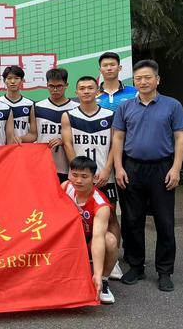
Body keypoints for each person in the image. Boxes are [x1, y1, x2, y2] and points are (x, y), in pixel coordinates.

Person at [112, 60, 183, 291]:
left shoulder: (172, 105)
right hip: (132, 168)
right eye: (138, 78)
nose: (143, 82)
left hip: (162, 168)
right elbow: (118, 137)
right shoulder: (125, 107)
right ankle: (136, 266)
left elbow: (180, 138)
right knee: (132, 220)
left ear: (157, 79)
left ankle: (165, 271)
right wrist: (119, 167)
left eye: (147, 77)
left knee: (164, 221)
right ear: (134, 81)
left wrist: (175, 169)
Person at [61, 75, 122, 279]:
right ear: (76, 92)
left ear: (97, 91)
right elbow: (68, 144)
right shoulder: (68, 116)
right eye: (82, 88)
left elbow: (115, 144)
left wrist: (107, 170)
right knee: (74, 217)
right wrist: (78, 172)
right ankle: (79, 256)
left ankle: (113, 260)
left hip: (104, 175)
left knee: (111, 217)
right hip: (81, 177)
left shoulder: (110, 115)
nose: (86, 91)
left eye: (90, 88)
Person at [62, 156, 118, 304]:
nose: (78, 180)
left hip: (89, 240)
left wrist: (97, 274)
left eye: (84, 176)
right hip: (70, 239)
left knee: (110, 241)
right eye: (74, 175)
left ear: (94, 178)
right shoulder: (65, 187)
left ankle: (103, 281)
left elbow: (98, 237)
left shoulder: (101, 205)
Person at [35, 68, 79, 183]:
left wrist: (64, 140)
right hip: (44, 165)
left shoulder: (76, 108)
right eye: (51, 86)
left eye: (59, 86)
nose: (55, 90)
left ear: (66, 85)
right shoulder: (37, 106)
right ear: (47, 85)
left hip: (68, 165)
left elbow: (81, 136)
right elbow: (33, 135)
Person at [0, 66, 37, 143]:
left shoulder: (30, 104)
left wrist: (20, 139)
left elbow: (33, 135)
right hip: (1, 148)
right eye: (9, 78)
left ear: (22, 81)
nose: (13, 81)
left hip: (21, 147)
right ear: (4, 81)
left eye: (16, 78)